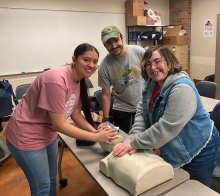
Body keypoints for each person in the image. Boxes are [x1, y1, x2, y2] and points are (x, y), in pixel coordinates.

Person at [3, 43, 119, 196]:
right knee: (41, 187)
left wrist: (95, 131)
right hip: (26, 136)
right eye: (86, 60)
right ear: (74, 59)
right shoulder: (56, 79)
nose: (91, 65)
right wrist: (95, 137)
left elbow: (76, 115)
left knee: (51, 180)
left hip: (48, 133)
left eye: (95, 61)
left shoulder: (78, 79)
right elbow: (60, 125)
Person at [112, 45, 219, 187]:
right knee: (177, 187)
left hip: (199, 147)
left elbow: (166, 128)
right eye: (148, 64)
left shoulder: (182, 88)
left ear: (169, 61)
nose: (152, 67)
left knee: (195, 189)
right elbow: (141, 114)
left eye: (157, 61)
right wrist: (132, 138)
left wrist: (133, 142)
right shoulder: (150, 84)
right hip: (174, 145)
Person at [98, 25, 145, 133]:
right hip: (121, 108)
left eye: (116, 40)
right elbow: (105, 93)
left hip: (143, 104)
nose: (114, 46)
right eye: (108, 43)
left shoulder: (139, 52)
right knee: (122, 140)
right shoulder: (104, 66)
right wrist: (105, 119)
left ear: (122, 38)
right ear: (104, 45)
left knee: (144, 140)